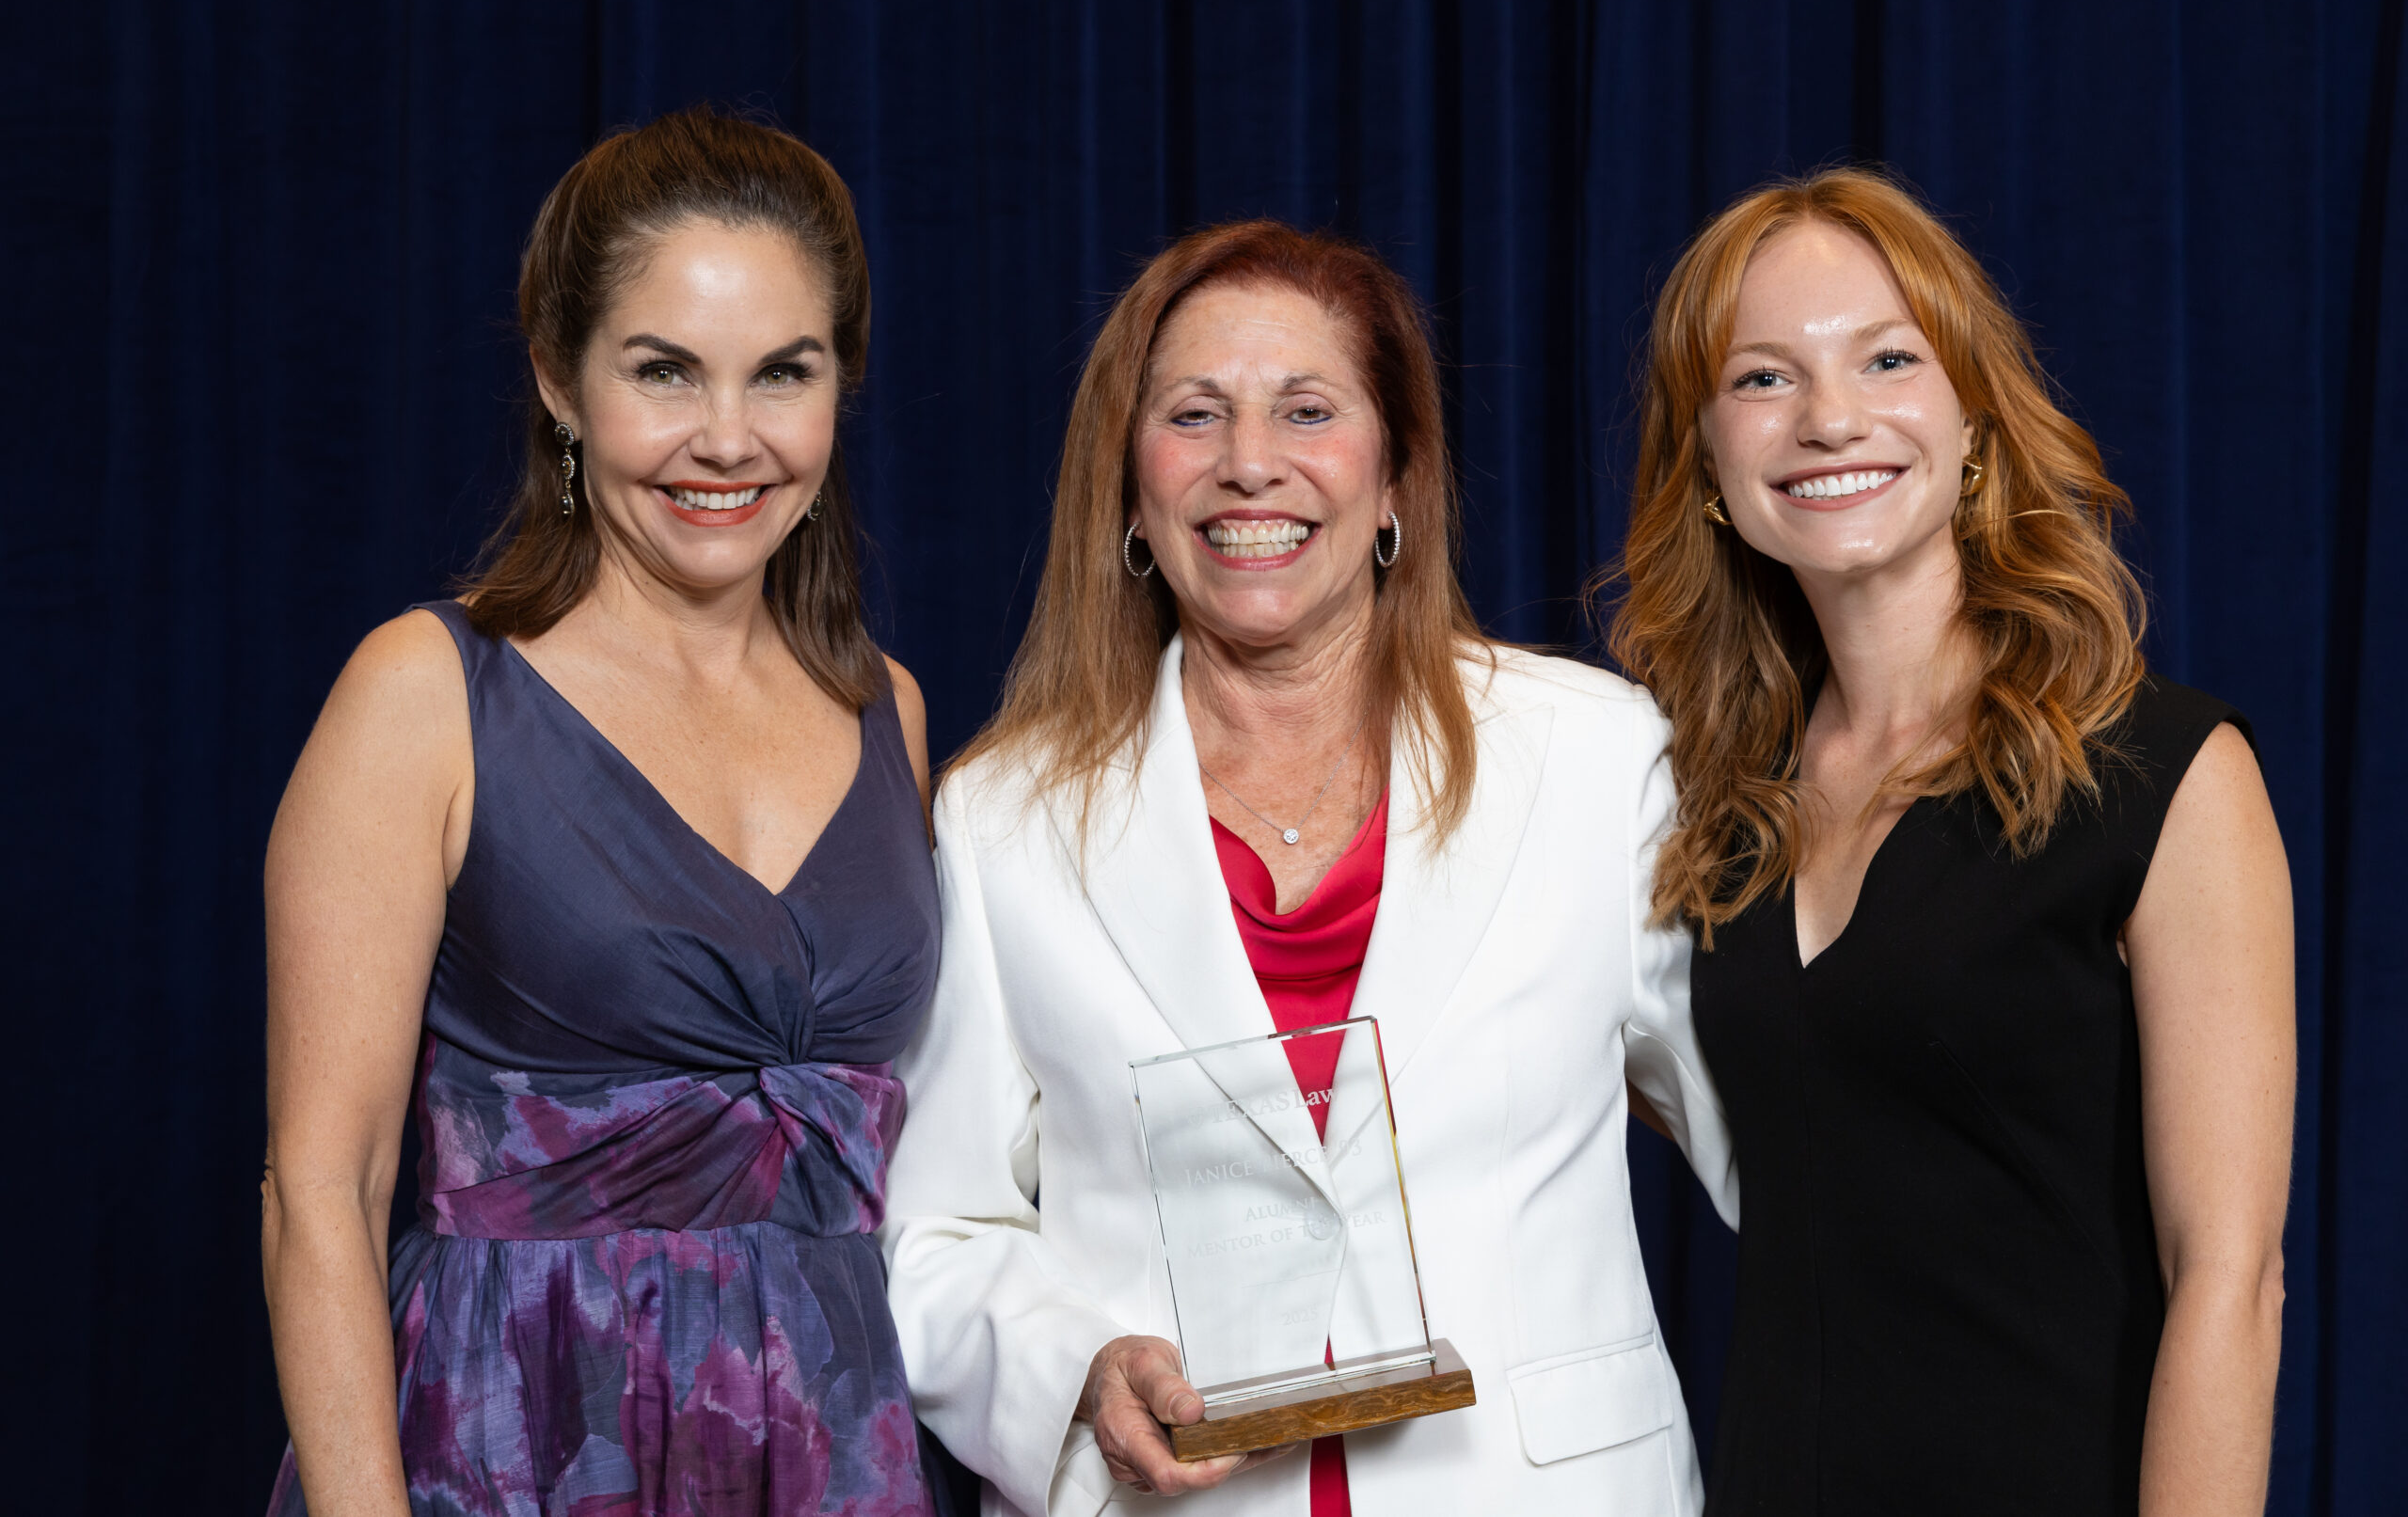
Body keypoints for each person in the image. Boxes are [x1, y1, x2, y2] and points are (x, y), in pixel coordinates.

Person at [879, 220, 1738, 1517]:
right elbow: (937, 1233)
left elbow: (1784, 1128)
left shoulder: (1595, 760)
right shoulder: (1005, 820)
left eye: (1307, 410)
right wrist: (1078, 1375)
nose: (1249, 463)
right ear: (1131, 489)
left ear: (1396, 479)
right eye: (1194, 415)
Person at [260, 108, 940, 1516]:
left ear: (841, 386)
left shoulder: (891, 710)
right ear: (558, 381)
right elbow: (320, 1190)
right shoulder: (429, 693)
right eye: (664, 371)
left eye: (783, 373)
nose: (728, 439)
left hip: (832, 1456)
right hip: (518, 1444)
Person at [1608, 168, 2293, 1515]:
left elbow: (2232, 1280)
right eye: (1762, 378)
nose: (1830, 417)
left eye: (1886, 358)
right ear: (1708, 466)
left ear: (1972, 417)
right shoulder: (1708, 812)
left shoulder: (2164, 774)